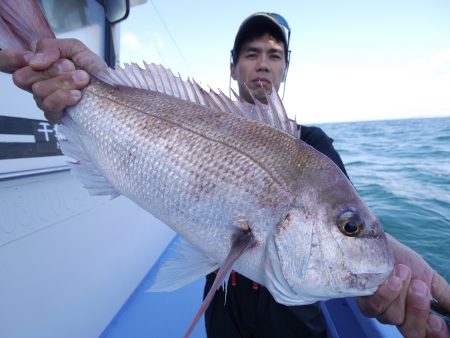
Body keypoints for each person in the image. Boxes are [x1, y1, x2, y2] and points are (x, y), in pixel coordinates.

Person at [1, 12, 449, 338]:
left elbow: (343, 222)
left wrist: (394, 265)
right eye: (252, 54)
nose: (263, 63)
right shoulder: (197, 114)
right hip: (225, 320)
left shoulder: (313, 148)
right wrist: (85, 87)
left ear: (285, 69)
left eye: (274, 55)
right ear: (233, 65)